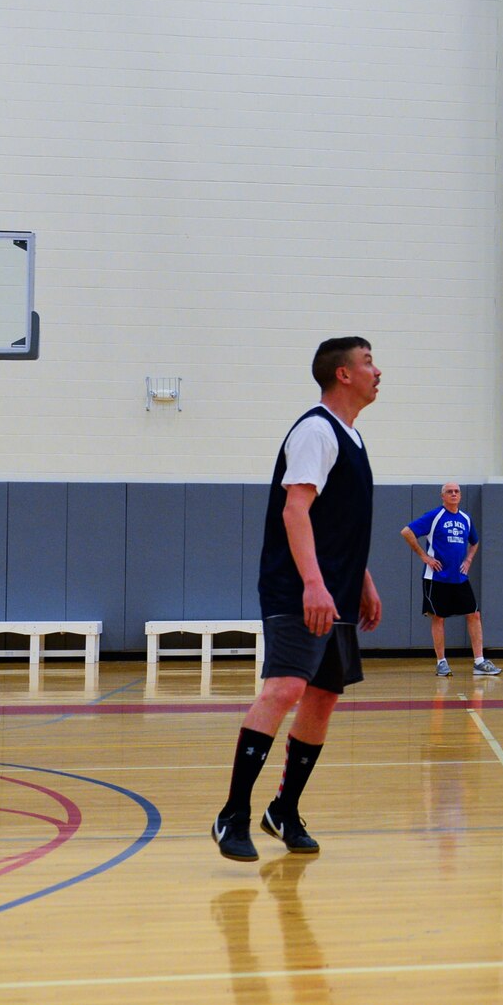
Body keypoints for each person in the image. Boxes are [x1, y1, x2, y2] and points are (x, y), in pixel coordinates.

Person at [212, 337, 383, 862]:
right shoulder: (316, 429)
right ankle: (232, 814)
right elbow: (295, 512)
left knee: (324, 696)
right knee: (285, 687)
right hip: (299, 588)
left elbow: (335, 523)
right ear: (343, 374)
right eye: (369, 361)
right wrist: (312, 582)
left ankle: (283, 809)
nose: (379, 370)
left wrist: (363, 579)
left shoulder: (351, 436)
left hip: (335, 591)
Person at [400, 483, 499, 678]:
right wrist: (424, 556)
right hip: (436, 577)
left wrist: (469, 560)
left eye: (456, 491)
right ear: (442, 496)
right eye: (449, 492)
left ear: (460, 496)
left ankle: (479, 662)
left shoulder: (465, 519)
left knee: (474, 614)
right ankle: (441, 663)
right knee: (438, 618)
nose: (453, 494)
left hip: (460, 578)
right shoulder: (435, 516)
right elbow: (406, 532)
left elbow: (475, 541)